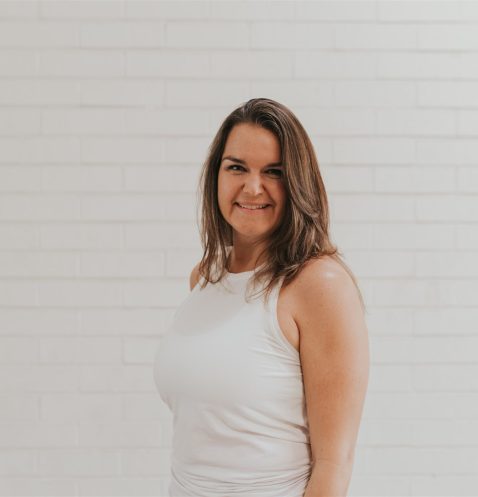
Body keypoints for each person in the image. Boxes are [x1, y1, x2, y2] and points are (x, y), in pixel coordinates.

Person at [154, 98, 369, 497]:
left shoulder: (318, 285)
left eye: (274, 172)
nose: (253, 187)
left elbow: (333, 468)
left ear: (298, 184)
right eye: (237, 167)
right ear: (216, 176)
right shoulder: (204, 279)